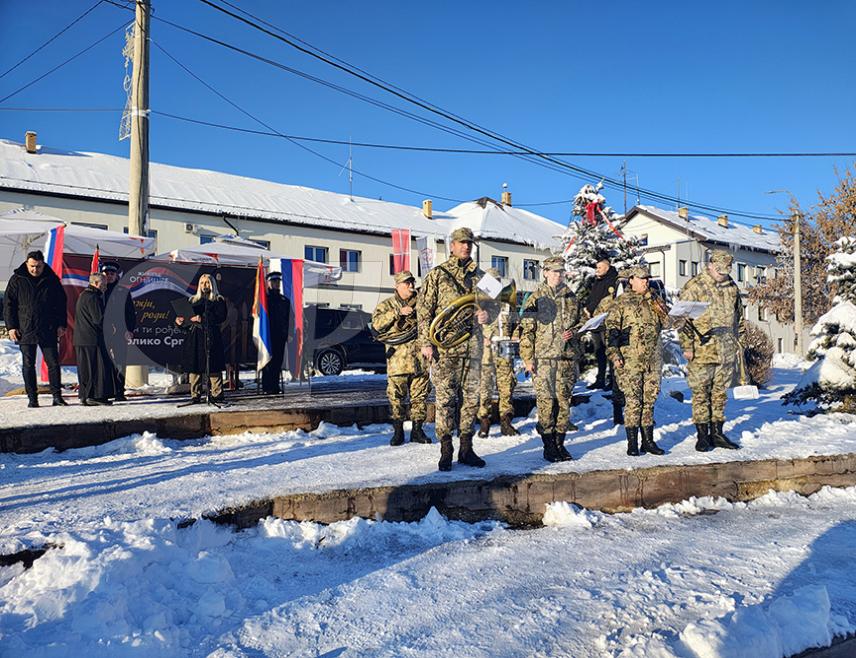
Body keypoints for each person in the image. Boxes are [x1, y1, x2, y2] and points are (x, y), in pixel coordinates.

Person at [417, 226, 490, 471]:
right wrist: (425, 342)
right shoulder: (437, 275)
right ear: (452, 245)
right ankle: (446, 449)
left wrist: (487, 314)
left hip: (472, 347)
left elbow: (499, 304)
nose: (465, 246)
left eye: (469, 243)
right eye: (461, 243)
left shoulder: (481, 277)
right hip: (444, 349)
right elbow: (424, 311)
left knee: (471, 399)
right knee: (446, 400)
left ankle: (466, 449)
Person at [679, 250, 744, 451]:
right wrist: (687, 346)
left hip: (725, 347)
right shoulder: (695, 286)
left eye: (725, 271)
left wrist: (739, 343)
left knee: (720, 393)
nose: (722, 274)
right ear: (710, 265)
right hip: (702, 348)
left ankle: (717, 433)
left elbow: (739, 316)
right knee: (700, 393)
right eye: (719, 271)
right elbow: (682, 319)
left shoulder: (732, 287)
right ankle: (702, 435)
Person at [520, 255, 583, 462]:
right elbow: (527, 331)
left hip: (566, 358)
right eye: (554, 271)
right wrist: (528, 358)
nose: (558, 275)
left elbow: (582, 324)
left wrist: (574, 332)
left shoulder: (571, 297)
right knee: (546, 404)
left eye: (561, 271)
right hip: (543, 359)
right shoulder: (535, 298)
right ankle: (548, 446)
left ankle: (560, 444)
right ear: (545, 272)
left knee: (564, 403)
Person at [605, 265, 666, 456]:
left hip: (653, 359)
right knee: (633, 401)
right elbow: (612, 331)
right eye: (641, 278)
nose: (645, 281)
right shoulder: (621, 302)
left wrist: (659, 305)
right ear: (631, 280)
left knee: (649, 401)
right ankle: (632, 443)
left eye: (647, 278)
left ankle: (648, 442)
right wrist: (615, 355)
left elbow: (669, 323)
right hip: (630, 360)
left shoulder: (654, 299)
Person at [372, 270, 432, 445]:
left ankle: (417, 430)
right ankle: (398, 431)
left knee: (420, 397)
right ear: (397, 286)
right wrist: (398, 312)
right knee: (396, 398)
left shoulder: (421, 304)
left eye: (412, 282)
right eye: (407, 283)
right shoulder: (386, 305)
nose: (411, 286)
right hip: (398, 361)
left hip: (419, 360)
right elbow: (376, 325)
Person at [3, 250, 68, 408]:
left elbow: (61, 303)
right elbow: (8, 305)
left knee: (53, 363)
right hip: (25, 328)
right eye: (32, 266)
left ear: (43, 264)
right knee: (28, 364)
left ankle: (57, 397)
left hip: (48, 328)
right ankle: (32, 398)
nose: (35, 270)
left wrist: (62, 324)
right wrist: (11, 327)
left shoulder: (52, 279)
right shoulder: (17, 279)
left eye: (38, 266)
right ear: (27, 263)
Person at [477, 267, 519, 438]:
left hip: (505, 346)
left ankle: (506, 421)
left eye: (497, 281)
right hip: (486, 347)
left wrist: (516, 335)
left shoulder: (507, 300)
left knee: (506, 384)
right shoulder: (478, 302)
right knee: (485, 385)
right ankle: (484, 421)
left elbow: (516, 322)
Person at [175, 273, 227, 403]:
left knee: (213, 364)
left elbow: (221, 317)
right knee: (194, 366)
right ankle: (195, 394)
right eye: (202, 283)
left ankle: (217, 393)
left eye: (207, 282)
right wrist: (179, 323)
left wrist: (202, 318)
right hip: (195, 337)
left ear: (212, 284)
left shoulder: (218, 300)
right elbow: (186, 323)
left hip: (211, 335)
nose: (205, 285)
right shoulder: (193, 300)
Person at [74, 273, 115, 406]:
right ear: (96, 283)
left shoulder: (85, 295)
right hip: (91, 339)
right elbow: (98, 319)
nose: (105, 286)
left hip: (84, 338)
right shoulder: (93, 297)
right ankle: (93, 396)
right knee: (94, 369)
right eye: (103, 283)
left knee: (89, 368)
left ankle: (89, 395)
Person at [100, 262, 136, 402]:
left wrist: (130, 330)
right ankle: (107, 390)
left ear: (116, 275)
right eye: (106, 274)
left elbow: (130, 313)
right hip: (103, 332)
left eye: (111, 274)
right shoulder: (99, 290)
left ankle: (120, 391)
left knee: (120, 363)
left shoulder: (122, 291)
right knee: (105, 363)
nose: (109, 276)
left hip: (120, 332)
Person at [584, 256, 619, 389]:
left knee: (610, 351)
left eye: (599, 268)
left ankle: (613, 381)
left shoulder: (613, 281)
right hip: (595, 322)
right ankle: (600, 379)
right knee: (599, 351)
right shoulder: (598, 281)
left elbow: (606, 301)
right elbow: (593, 297)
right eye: (596, 268)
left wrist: (592, 309)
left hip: (606, 321)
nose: (596, 270)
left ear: (607, 267)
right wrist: (587, 308)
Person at [260, 271, 292, 394]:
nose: (276, 284)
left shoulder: (285, 301)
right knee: (267, 361)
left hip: (280, 336)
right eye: (273, 282)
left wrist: (289, 333)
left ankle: (275, 385)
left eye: (278, 282)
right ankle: (266, 386)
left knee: (278, 362)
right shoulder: (265, 301)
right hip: (267, 335)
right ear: (269, 283)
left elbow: (290, 318)